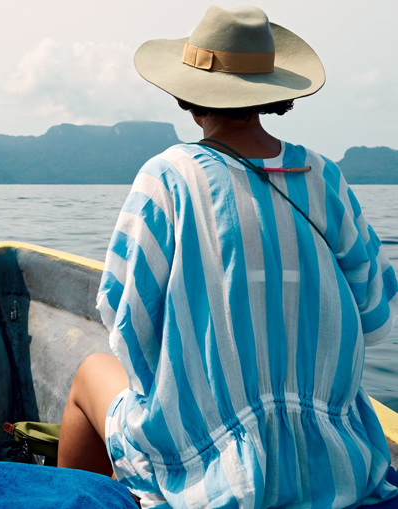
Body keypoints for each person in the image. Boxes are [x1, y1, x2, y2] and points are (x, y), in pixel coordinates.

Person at [57, 5, 398, 508]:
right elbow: (376, 316)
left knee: (91, 370)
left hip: (212, 465)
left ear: (186, 92)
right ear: (270, 90)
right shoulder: (325, 177)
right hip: (333, 460)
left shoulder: (169, 175)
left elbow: (124, 321)